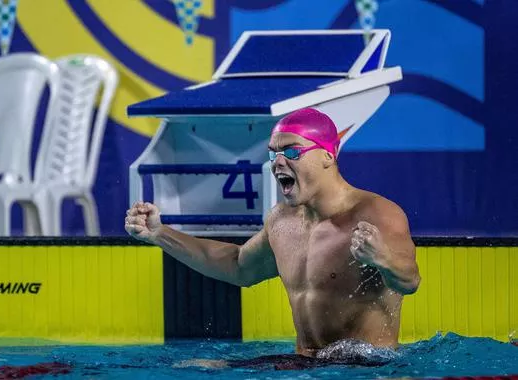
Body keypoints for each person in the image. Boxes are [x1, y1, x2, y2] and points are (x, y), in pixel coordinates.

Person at [125, 107, 420, 370]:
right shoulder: (281, 220)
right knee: (195, 368)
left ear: (329, 154)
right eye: (272, 153)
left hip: (367, 366)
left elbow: (409, 281)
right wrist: (160, 234)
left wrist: (383, 258)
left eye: (292, 152)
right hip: (306, 363)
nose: (278, 163)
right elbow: (238, 266)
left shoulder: (376, 213)